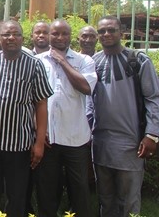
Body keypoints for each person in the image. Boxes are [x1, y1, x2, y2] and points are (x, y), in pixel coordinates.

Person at [0, 20, 53, 217]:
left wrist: (39, 143)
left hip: (19, 145)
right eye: (6, 34)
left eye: (16, 34)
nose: (11, 38)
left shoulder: (34, 64)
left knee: (17, 196)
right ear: (0, 38)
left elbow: (41, 105)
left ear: (23, 38)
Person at [89, 16, 159, 217]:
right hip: (101, 143)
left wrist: (152, 134)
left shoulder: (138, 61)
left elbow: (154, 98)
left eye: (111, 30)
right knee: (106, 199)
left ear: (122, 33)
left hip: (131, 144)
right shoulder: (93, 62)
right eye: (101, 31)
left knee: (129, 201)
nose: (106, 34)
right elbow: (88, 101)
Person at [34, 19, 97, 217]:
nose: (60, 38)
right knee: (47, 191)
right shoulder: (38, 61)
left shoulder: (84, 61)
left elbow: (86, 88)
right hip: (48, 139)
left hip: (75, 138)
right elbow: (32, 98)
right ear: (49, 35)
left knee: (79, 190)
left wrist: (62, 61)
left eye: (64, 34)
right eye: (55, 34)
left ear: (71, 36)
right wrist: (38, 130)